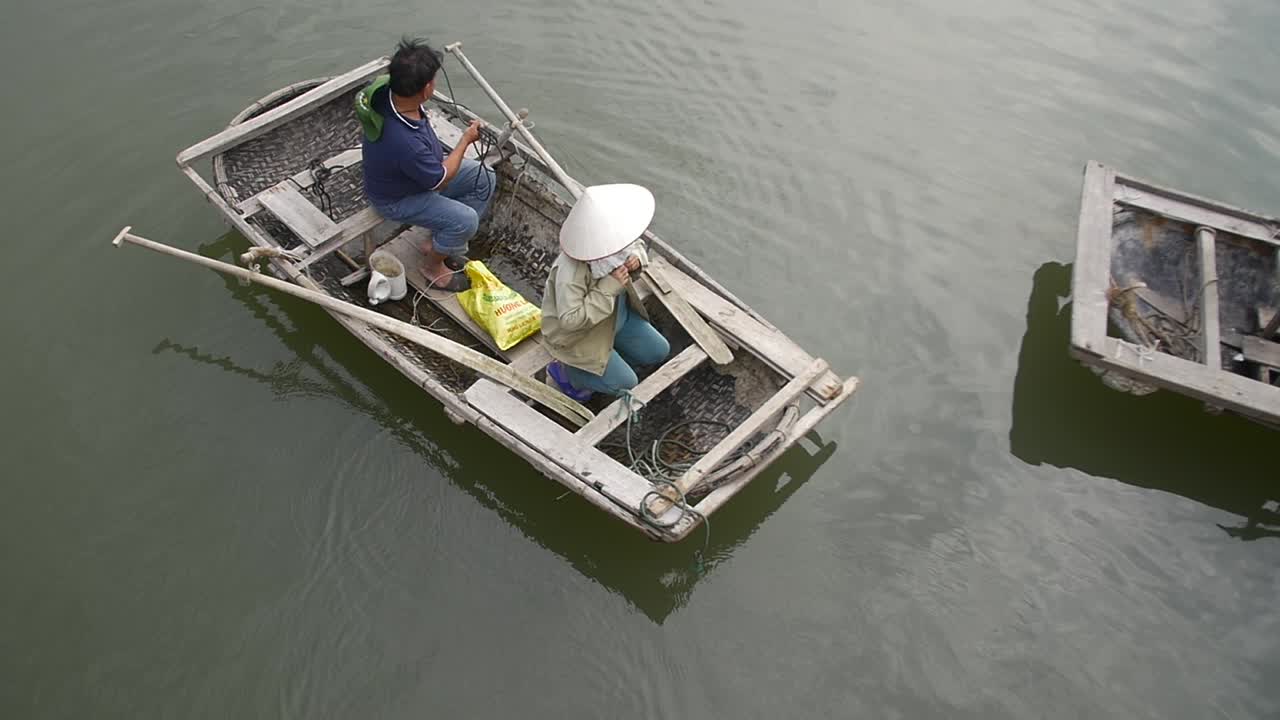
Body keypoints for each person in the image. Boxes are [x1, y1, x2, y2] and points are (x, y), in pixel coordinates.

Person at [360, 38, 496, 291]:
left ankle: (438, 243)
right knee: (466, 221)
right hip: (398, 198)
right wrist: (465, 140)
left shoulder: (385, 93)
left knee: (484, 176)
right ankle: (432, 267)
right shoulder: (404, 141)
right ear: (425, 89)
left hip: (414, 174)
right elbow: (440, 179)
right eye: (433, 80)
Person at [541, 184, 670, 400]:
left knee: (658, 351)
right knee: (627, 383)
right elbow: (570, 320)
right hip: (580, 337)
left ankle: (609, 357)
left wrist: (637, 259)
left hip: (616, 320)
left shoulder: (617, 239)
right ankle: (568, 374)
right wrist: (608, 287)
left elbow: (636, 244)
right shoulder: (571, 271)